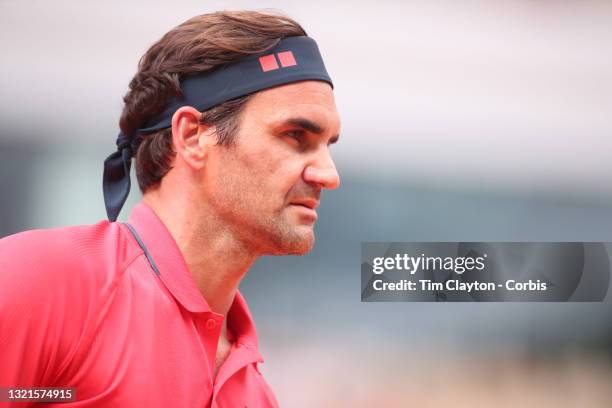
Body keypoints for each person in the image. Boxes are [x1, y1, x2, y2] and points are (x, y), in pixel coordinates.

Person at [0, 10, 340, 407]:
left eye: (328, 145)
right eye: (295, 135)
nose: (328, 174)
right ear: (192, 136)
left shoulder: (255, 394)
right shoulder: (42, 281)